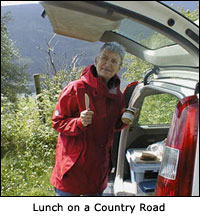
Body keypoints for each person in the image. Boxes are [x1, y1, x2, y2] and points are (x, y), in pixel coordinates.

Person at [50, 42, 129, 196]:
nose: (107, 64)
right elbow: (58, 123)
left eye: (114, 61)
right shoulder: (76, 88)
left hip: (98, 171)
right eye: (104, 58)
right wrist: (78, 122)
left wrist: (123, 121)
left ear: (119, 67)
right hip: (73, 171)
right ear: (96, 60)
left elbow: (113, 126)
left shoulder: (118, 96)